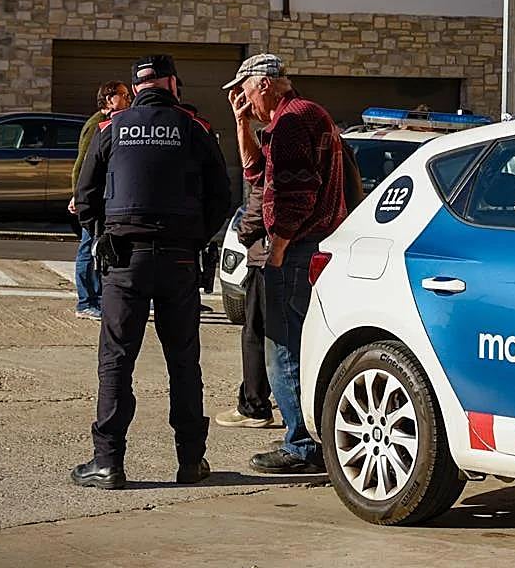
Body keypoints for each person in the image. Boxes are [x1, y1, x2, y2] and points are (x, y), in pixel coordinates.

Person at [71, 54, 231, 490]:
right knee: (183, 362)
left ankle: (107, 463)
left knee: (117, 360)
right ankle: (191, 462)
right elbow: (222, 194)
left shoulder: (112, 129)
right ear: (173, 84)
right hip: (179, 259)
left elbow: (84, 196)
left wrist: (102, 230)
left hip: (124, 261)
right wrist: (195, 238)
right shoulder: (194, 129)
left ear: (137, 87)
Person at [224, 53, 345, 475]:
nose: (241, 99)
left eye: (243, 91)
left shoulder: (294, 120)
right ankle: (309, 438)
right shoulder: (295, 118)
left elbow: (296, 194)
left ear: (263, 84)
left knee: (284, 347)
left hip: (294, 250)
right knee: (292, 342)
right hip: (304, 246)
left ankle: (302, 447)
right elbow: (258, 175)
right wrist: (242, 125)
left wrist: (276, 248)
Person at [213, 171, 275, 429]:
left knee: (259, 333)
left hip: (271, 255)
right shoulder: (338, 150)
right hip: (313, 252)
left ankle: (255, 406)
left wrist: (245, 232)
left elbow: (263, 197)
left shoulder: (282, 143)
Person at [70, 81, 131, 321]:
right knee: (89, 246)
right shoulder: (98, 124)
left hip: (109, 198)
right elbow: (83, 163)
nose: (128, 99)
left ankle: (103, 298)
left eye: (128, 95)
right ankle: (86, 301)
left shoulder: (121, 122)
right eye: (122, 95)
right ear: (108, 99)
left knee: (101, 246)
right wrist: (78, 195)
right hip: (95, 199)